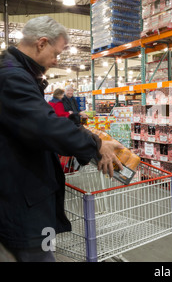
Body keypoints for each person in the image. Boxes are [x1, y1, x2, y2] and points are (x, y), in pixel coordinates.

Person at [0, 16, 124, 262]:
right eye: (56, 53)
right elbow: (45, 125)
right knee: (40, 254)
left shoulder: (18, 72)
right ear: (41, 43)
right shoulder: (12, 76)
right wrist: (96, 144)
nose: (57, 61)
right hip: (22, 198)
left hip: (19, 191)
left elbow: (40, 122)